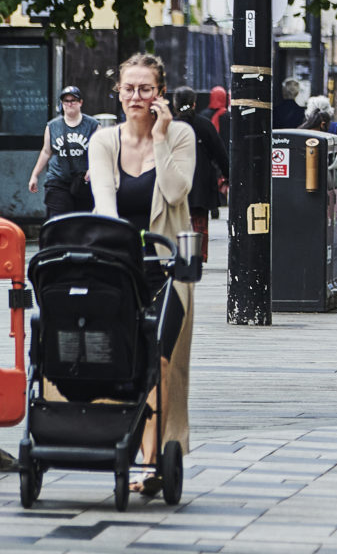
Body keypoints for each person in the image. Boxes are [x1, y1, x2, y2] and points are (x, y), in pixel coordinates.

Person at [87, 53, 196, 492]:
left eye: (145, 88)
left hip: (168, 269)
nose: (136, 96)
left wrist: (162, 138)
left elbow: (174, 192)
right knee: (126, 361)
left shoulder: (181, 134)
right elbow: (104, 205)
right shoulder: (104, 141)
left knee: (164, 363)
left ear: (160, 94)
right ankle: (124, 444)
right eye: (129, 88)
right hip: (121, 269)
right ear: (118, 92)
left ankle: (156, 462)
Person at [174, 87, 230, 262]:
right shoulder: (204, 124)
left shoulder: (170, 126)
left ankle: (179, 254)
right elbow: (219, 152)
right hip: (201, 181)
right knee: (199, 223)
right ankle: (198, 255)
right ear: (194, 103)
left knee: (178, 221)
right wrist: (228, 175)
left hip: (176, 182)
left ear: (175, 105)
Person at [28, 85, 99, 219]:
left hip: (83, 181)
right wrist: (35, 175)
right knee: (59, 220)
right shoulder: (52, 126)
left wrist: (93, 169)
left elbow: (101, 152)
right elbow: (46, 151)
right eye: (66, 101)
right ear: (62, 103)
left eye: (73, 100)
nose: (70, 104)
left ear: (80, 102)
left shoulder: (93, 125)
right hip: (58, 179)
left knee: (82, 220)